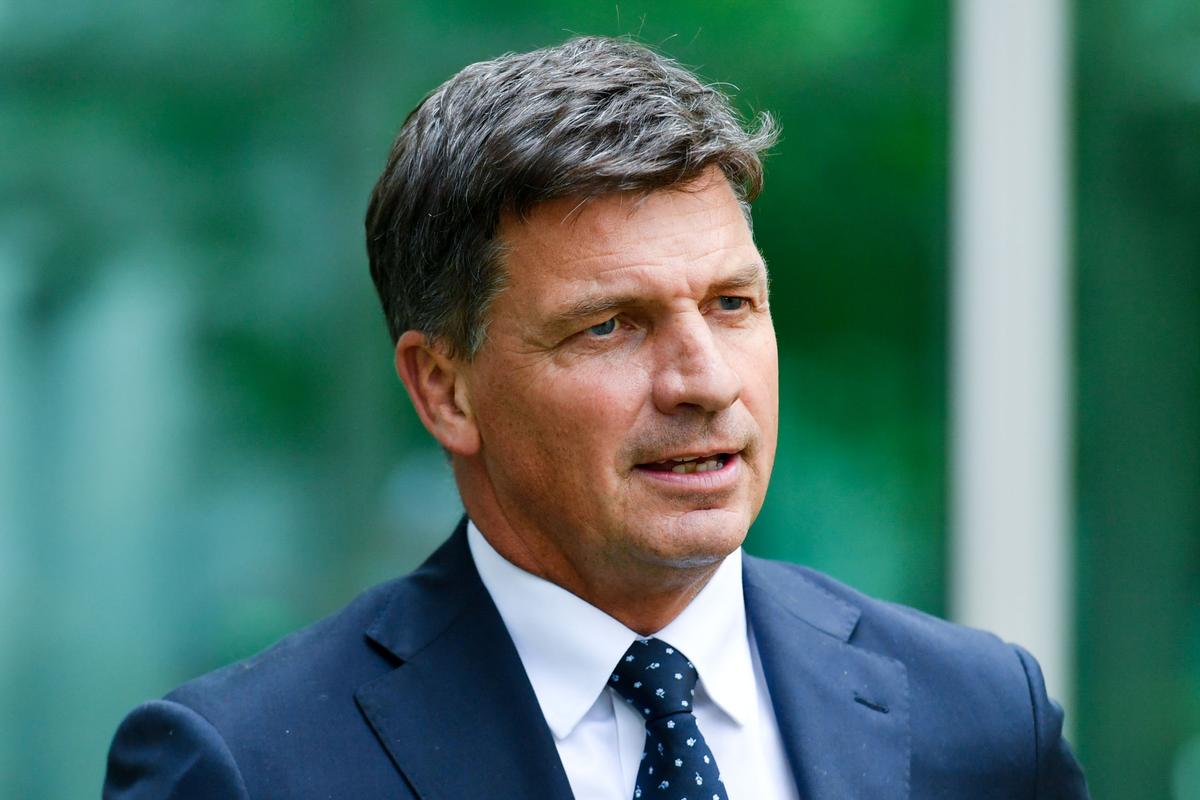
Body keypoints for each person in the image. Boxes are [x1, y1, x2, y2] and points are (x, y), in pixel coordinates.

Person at [103, 36, 1089, 799]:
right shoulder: (246, 766)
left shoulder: (980, 720)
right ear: (445, 387)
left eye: (733, 304)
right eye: (612, 324)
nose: (703, 380)